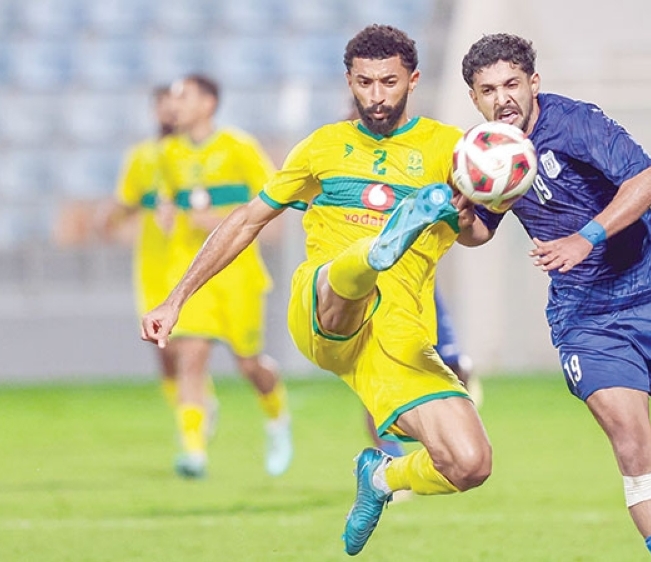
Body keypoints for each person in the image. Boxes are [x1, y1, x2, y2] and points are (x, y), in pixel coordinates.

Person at [141, 25, 492, 556]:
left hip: (397, 339)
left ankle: (381, 477)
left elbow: (476, 234)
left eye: (389, 82)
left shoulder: (449, 147)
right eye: (364, 83)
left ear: (413, 80)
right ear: (349, 81)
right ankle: (378, 248)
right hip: (323, 308)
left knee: (469, 463)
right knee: (355, 270)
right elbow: (247, 220)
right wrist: (176, 299)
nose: (376, 95)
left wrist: (471, 216)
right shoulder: (323, 147)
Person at [458, 34, 651, 561]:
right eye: (489, 90)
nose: (503, 99)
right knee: (633, 448)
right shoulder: (486, 152)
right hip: (585, 315)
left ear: (533, 83)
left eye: (512, 84)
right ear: (474, 98)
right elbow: (479, 233)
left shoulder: (576, 123)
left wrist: (584, 237)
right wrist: (459, 217)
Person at [155, 74, 292, 479]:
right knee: (190, 357)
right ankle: (193, 451)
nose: (174, 105)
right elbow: (167, 196)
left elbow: (272, 206)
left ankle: (277, 418)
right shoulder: (169, 153)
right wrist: (167, 211)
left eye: (184, 97)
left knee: (249, 365)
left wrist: (215, 219)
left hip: (237, 274)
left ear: (208, 103)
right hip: (190, 271)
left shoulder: (239, 147)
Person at [99, 86, 182, 409]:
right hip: (153, 260)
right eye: (163, 106)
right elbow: (127, 201)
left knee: (190, 341)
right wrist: (109, 219)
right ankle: (187, 411)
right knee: (160, 341)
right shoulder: (142, 156)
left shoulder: (196, 154)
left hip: (190, 256)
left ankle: (195, 411)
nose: (170, 113)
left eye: (175, 105)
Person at [365, 285, 480, 458]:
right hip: (384, 295)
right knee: (380, 378)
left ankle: (447, 446)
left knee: (455, 368)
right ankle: (391, 457)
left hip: (421, 290)